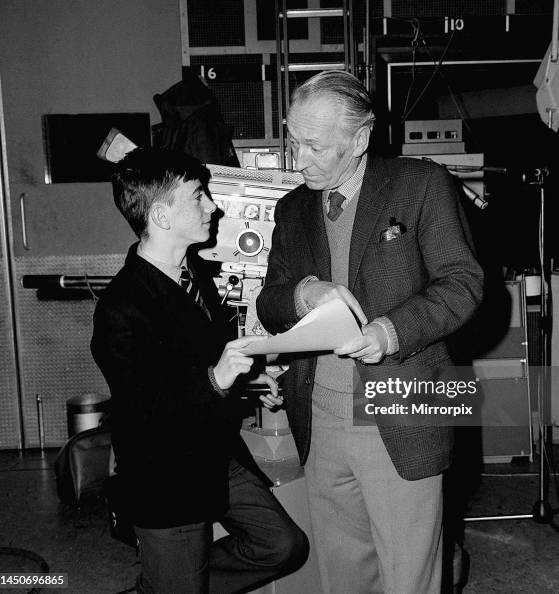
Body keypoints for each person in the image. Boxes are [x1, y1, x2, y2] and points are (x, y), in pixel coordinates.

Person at [256, 71, 483, 594]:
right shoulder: (292, 209)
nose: (299, 158)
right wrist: (302, 293)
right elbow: (270, 302)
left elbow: (464, 282)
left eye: (314, 145)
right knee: (344, 575)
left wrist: (391, 331)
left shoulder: (420, 183)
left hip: (403, 400)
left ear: (359, 140)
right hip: (320, 415)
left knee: (411, 576)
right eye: (293, 140)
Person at [91, 148, 307, 593]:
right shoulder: (122, 307)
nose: (214, 205)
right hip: (165, 474)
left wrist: (246, 383)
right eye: (198, 195)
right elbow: (148, 411)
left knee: (282, 545)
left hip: (215, 456)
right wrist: (217, 379)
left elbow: (196, 361)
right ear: (162, 216)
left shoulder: (195, 276)